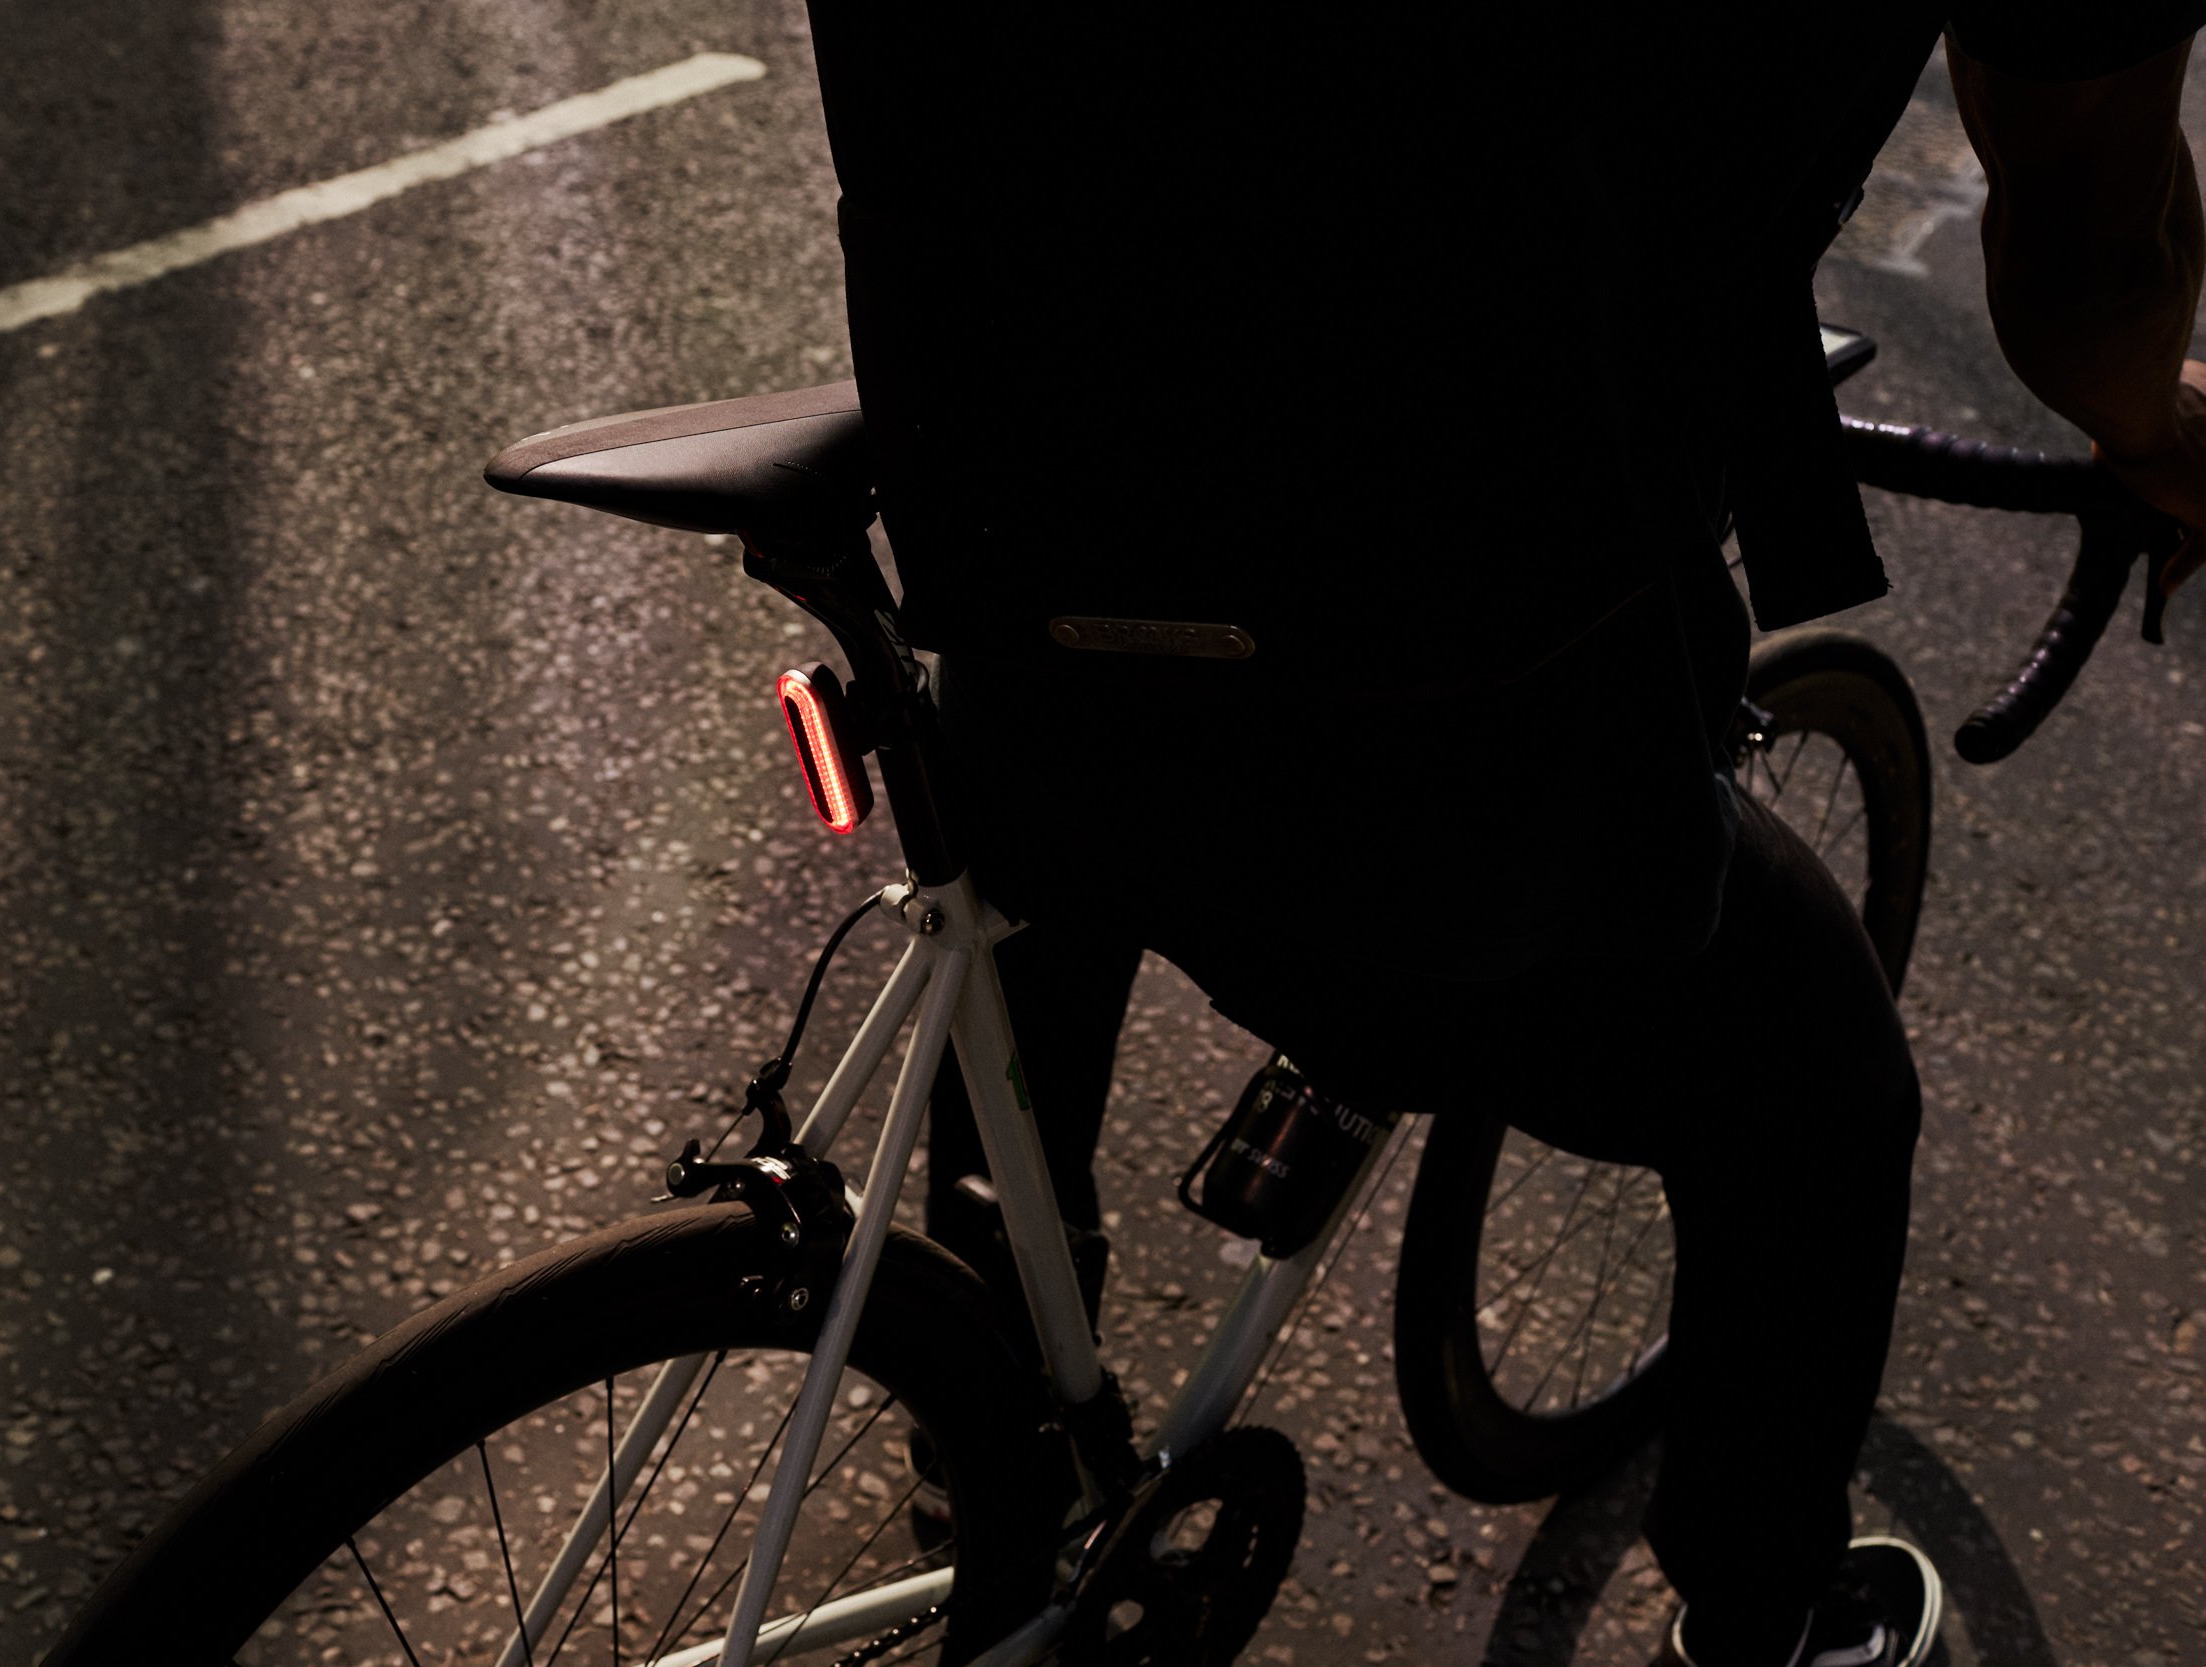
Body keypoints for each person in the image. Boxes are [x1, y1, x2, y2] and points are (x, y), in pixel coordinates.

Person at [803, 8, 2206, 1666]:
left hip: (1020, 569)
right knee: (1818, 1099)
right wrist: (2161, 437)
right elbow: (2097, 245)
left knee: (1061, 822)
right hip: (1439, 706)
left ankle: (992, 1427)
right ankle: (1769, 1622)